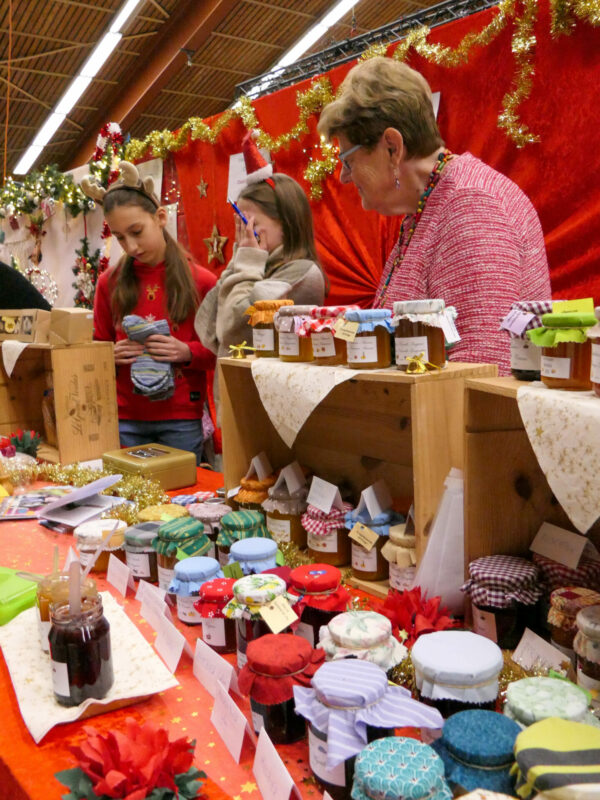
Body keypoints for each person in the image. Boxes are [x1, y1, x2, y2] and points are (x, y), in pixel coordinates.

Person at [317, 57, 551, 375]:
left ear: (392, 147)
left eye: (348, 159)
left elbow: (481, 368)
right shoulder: (431, 203)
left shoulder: (470, 206)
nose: (344, 176)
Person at [88, 162, 216, 463]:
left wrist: (186, 352)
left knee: (181, 492)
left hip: (181, 419)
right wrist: (108, 355)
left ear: (160, 218)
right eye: (120, 237)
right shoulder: (108, 283)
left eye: (136, 232)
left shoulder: (202, 282)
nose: (131, 246)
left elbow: (219, 352)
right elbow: (95, 348)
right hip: (125, 419)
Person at [195, 132, 325, 360]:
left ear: (285, 223)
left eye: (251, 224)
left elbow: (232, 333)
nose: (244, 234)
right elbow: (206, 328)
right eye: (240, 224)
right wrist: (238, 262)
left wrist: (247, 263)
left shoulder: (301, 273)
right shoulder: (257, 262)